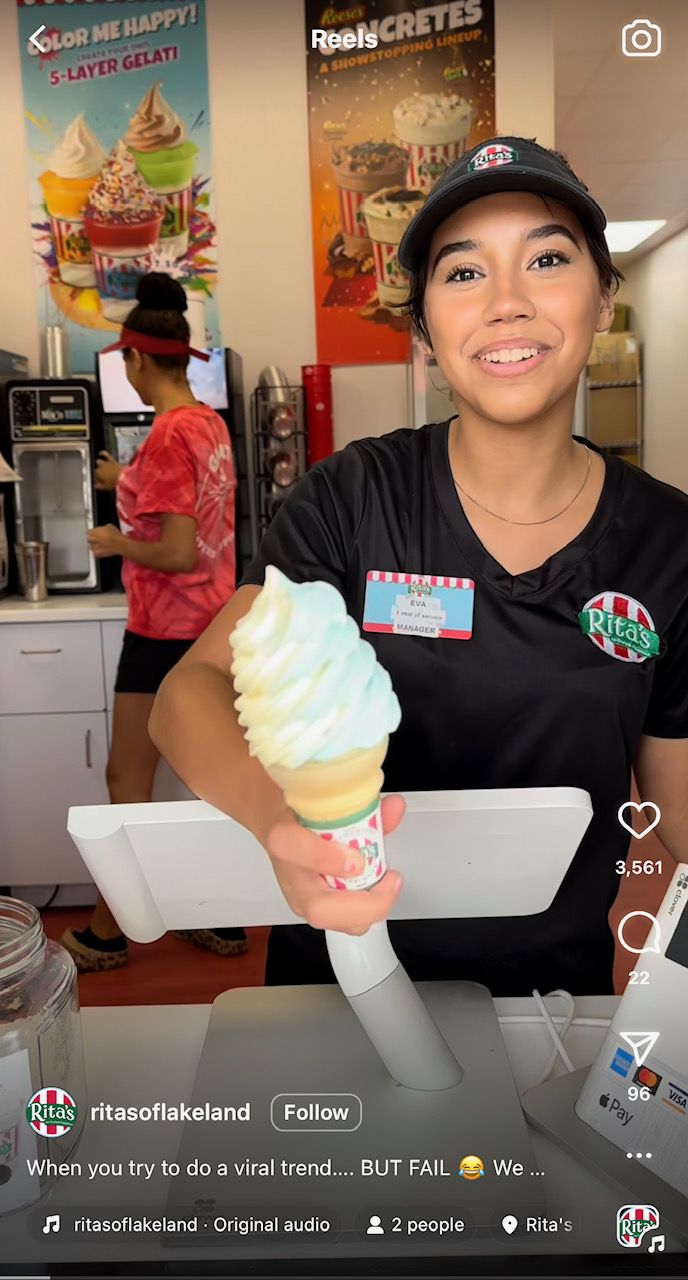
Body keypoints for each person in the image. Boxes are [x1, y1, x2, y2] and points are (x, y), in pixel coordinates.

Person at [149, 138, 688, 995]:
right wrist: (276, 817)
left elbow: (676, 801)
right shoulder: (354, 499)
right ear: (427, 330)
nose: (507, 303)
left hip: (549, 1007)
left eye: (546, 259)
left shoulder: (670, 541)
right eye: (465, 273)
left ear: (602, 298)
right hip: (341, 983)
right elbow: (187, 696)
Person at [61, 272, 247, 972]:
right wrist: (125, 482)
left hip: (163, 635)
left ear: (137, 360)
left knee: (124, 779)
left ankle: (109, 932)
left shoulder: (169, 435)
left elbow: (174, 548)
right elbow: (189, 509)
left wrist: (114, 542)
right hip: (212, 630)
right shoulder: (207, 425)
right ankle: (223, 919)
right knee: (210, 779)